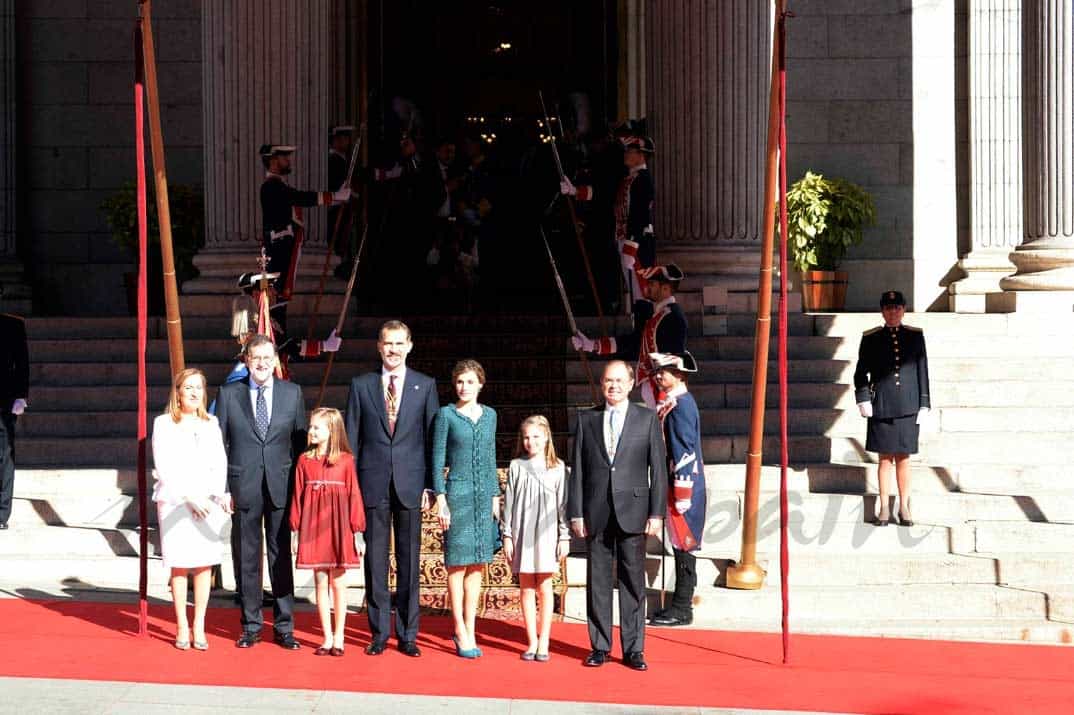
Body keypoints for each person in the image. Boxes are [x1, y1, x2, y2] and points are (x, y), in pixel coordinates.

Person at [344, 320, 439, 657]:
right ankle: (379, 632)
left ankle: (408, 633)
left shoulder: (425, 386)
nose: (394, 349)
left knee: (410, 561)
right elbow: (351, 440)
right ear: (378, 347)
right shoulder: (361, 385)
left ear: (410, 346)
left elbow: (432, 440)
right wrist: (351, 488)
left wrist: (431, 484)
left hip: (412, 485)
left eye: (400, 343)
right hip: (371, 484)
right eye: (388, 343)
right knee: (376, 565)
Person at [568, 360, 667, 671]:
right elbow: (578, 472)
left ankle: (634, 648)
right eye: (608, 381)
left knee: (632, 581)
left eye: (619, 380)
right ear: (601, 384)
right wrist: (576, 513)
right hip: (596, 511)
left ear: (630, 382)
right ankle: (599, 646)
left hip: (634, 511)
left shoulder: (647, 419)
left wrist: (656, 512)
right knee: (597, 580)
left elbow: (659, 470)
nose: (613, 386)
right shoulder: (587, 419)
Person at [214, 334, 308, 650]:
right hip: (243, 486)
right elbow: (220, 447)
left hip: (280, 486)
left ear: (275, 360)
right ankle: (251, 625)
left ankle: (284, 627)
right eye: (257, 358)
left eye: (268, 358)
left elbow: (299, 448)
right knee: (248, 559)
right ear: (247, 361)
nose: (263, 363)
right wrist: (223, 489)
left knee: (280, 557)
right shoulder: (229, 394)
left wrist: (299, 490)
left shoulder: (292, 394)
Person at [152, 368, 231, 650]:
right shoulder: (163, 423)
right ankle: (181, 625)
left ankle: (199, 624)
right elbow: (164, 466)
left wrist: (214, 495)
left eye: (198, 387)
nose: (194, 393)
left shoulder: (212, 422)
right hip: (176, 502)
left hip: (207, 503)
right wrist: (188, 497)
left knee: (202, 564)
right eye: (188, 388)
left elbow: (219, 462)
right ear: (178, 392)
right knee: (180, 564)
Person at [431, 360, 500, 659]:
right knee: (457, 563)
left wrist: (496, 496)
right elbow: (436, 460)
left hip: (484, 495)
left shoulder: (491, 416)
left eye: (470, 382)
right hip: (457, 494)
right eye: (460, 382)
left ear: (480, 384)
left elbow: (491, 455)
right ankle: (458, 626)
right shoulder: (445, 415)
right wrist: (441, 498)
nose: (464, 387)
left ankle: (471, 624)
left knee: (478, 565)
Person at [290, 407, 366, 657]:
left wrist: (358, 532)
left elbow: (354, 495)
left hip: (339, 527)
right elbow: (298, 497)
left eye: (316, 427)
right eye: (311, 426)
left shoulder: (345, 460)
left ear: (331, 430)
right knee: (321, 583)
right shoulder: (304, 460)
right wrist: (296, 531)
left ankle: (340, 637)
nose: (311, 431)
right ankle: (326, 637)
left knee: (338, 585)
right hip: (313, 528)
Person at [854, 290, 931, 527]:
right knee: (885, 459)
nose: (893, 312)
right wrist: (863, 398)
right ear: (882, 311)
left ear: (904, 310)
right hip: (883, 405)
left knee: (904, 459)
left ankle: (905, 507)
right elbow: (860, 372)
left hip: (908, 405)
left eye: (897, 308)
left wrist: (925, 402)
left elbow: (922, 370)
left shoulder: (915, 336)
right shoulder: (871, 338)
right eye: (888, 308)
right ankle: (884, 507)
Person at [259, 144, 352, 331]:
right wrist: (334, 196)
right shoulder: (271, 186)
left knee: (281, 296)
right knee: (276, 297)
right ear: (274, 160)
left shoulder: (278, 186)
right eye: (285, 158)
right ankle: (276, 343)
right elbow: (300, 198)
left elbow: (299, 198)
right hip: (277, 250)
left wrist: (336, 198)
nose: (289, 161)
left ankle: (278, 342)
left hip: (281, 248)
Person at [572, 264, 688, 408]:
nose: (648, 287)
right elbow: (634, 342)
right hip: (654, 387)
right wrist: (593, 345)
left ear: (665, 288)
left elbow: (672, 359)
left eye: (652, 284)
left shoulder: (673, 316)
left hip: (661, 389)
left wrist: (665, 393)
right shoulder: (658, 315)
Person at [501, 415, 570, 661]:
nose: (531, 442)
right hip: (522, 531)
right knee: (526, 586)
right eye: (527, 437)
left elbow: (563, 505)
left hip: (547, 533)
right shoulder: (517, 466)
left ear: (547, 437)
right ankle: (531, 640)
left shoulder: (559, 468)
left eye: (536, 437)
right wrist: (507, 534)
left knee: (544, 586)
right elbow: (508, 504)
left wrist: (564, 536)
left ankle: (544, 640)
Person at [560, 134, 656, 307]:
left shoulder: (643, 180)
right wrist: (575, 191)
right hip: (623, 240)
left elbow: (640, 216)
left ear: (641, 155)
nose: (626, 154)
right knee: (633, 291)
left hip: (638, 243)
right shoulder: (628, 179)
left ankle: (645, 329)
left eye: (630, 151)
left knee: (642, 290)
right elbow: (604, 194)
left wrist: (631, 246)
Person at [647, 351, 707, 627]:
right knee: (679, 545)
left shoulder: (681, 406)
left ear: (680, 375)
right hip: (676, 482)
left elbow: (684, 452)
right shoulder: (675, 402)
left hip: (684, 485)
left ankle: (683, 607)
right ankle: (679, 605)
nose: (659, 375)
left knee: (685, 546)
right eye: (658, 371)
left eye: (666, 371)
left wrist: (682, 494)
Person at [0, 283, 29, 531]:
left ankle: (1, 512)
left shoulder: (13, 325)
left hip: (4, 400)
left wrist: (21, 396)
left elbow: (22, 364)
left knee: (4, 455)